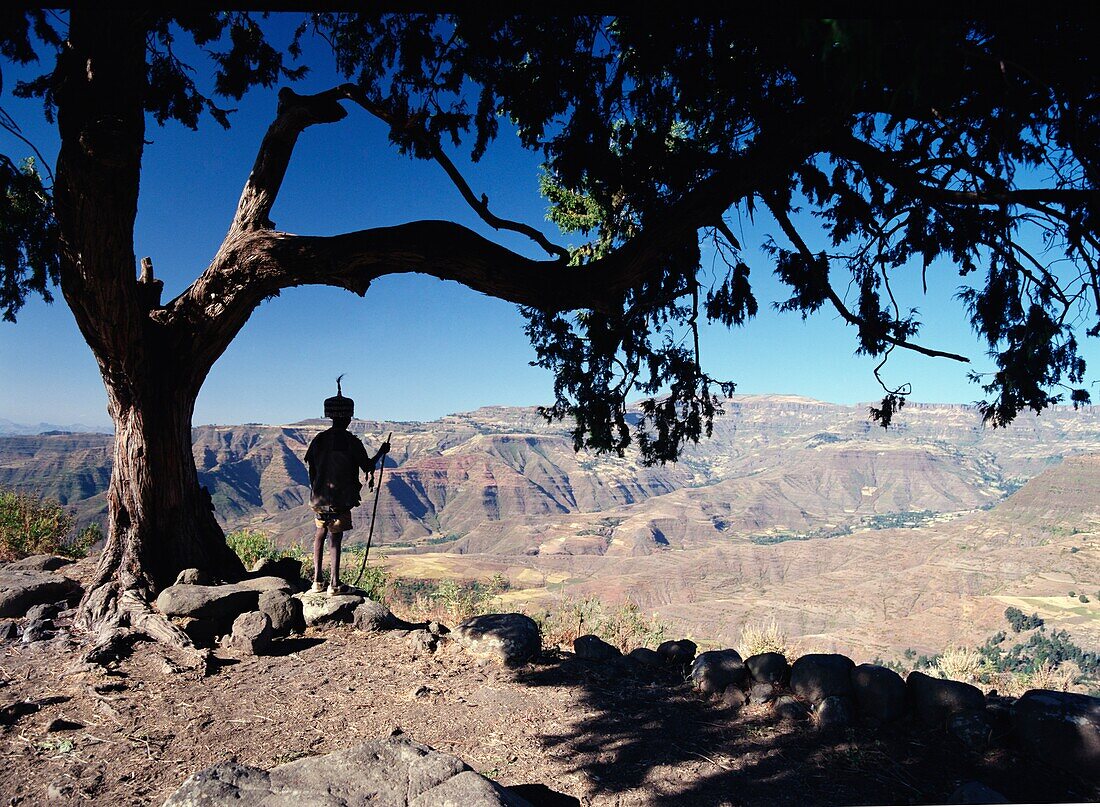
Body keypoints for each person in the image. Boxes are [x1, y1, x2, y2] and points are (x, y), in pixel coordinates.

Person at [304, 376, 390, 595]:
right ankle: (334, 584)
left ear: (329, 416)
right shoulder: (351, 442)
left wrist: (316, 489)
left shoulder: (319, 440)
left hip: (319, 498)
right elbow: (367, 465)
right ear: (349, 417)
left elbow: (311, 466)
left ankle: (316, 582)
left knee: (319, 534)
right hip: (340, 499)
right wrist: (382, 451)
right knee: (336, 538)